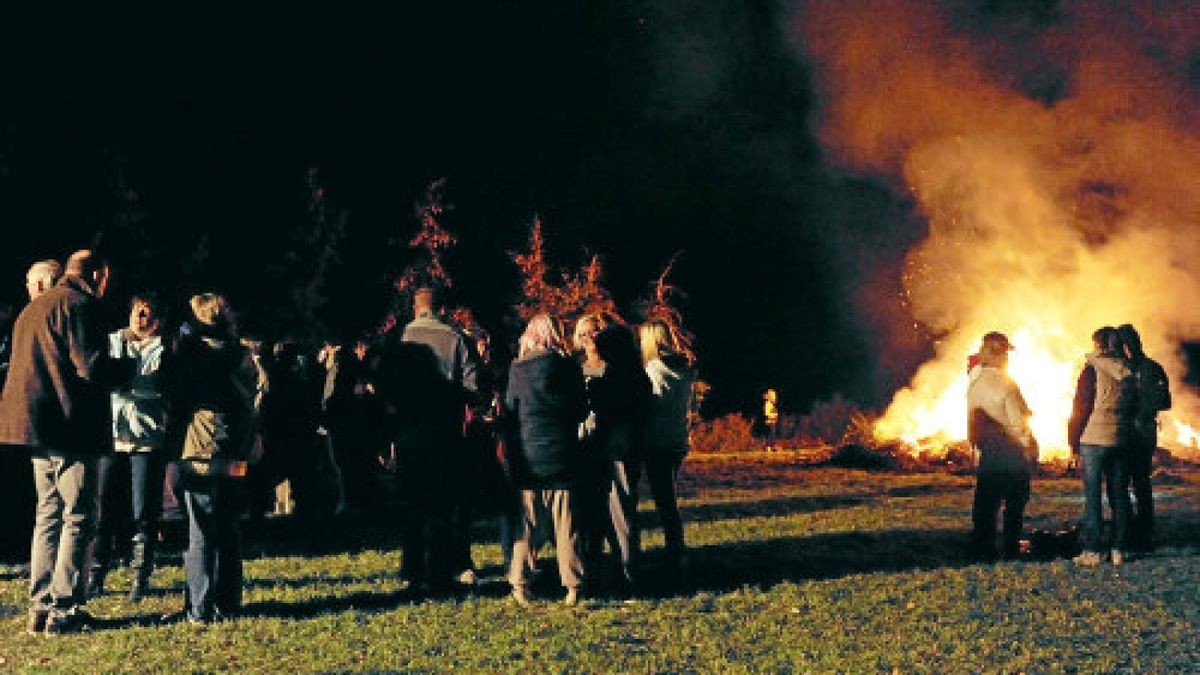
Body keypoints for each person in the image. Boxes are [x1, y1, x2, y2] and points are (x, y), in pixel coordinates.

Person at [0, 250, 119, 635]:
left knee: (47, 514)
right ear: (99, 275)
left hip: (36, 426)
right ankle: (64, 608)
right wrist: (133, 369)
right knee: (80, 513)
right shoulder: (78, 305)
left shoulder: (32, 309)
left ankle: (39, 605)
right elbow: (93, 366)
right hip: (71, 426)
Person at [164, 294, 261, 625]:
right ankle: (229, 602)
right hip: (237, 444)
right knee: (229, 526)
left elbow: (176, 399)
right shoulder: (241, 355)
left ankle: (200, 606)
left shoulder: (190, 357)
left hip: (200, 446)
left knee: (200, 528)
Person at [398, 287, 480, 587]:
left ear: (415, 308)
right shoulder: (455, 339)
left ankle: (412, 569)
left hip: (408, 432)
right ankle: (447, 565)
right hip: (445, 433)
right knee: (445, 503)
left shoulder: (399, 339)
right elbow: (472, 387)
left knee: (413, 503)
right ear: (441, 309)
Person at [504, 314, 588, 605]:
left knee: (525, 524)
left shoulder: (517, 370)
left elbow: (509, 411)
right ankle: (573, 585)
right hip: (562, 455)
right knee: (567, 526)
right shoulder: (568, 368)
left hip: (527, 458)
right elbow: (580, 409)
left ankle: (518, 581)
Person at [89, 293, 169, 603]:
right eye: (138, 312)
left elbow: (161, 386)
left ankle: (140, 574)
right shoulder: (112, 341)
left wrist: (136, 385)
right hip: (113, 435)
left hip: (147, 438)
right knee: (104, 506)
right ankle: (96, 573)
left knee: (143, 509)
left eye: (149, 314)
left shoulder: (165, 348)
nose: (142, 318)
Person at [589, 324, 652, 590]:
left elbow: (611, 411)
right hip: (629, 448)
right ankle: (624, 563)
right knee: (622, 508)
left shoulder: (617, 377)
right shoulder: (637, 375)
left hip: (618, 450)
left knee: (621, 510)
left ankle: (628, 568)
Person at [966, 332, 1037, 562]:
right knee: (1015, 501)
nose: (1007, 357)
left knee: (986, 502)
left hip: (987, 450)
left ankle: (982, 547)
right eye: (1005, 352)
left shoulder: (974, 379)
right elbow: (1018, 423)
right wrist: (1029, 448)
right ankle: (1010, 546)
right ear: (1002, 355)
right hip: (1010, 449)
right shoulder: (1006, 383)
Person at [1068, 326, 1135, 567]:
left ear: (1098, 345)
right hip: (1120, 438)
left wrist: (1073, 441)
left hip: (1094, 439)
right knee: (1119, 495)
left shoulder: (1092, 369)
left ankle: (1093, 550)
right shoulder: (1128, 368)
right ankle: (1118, 549)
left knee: (1093, 497)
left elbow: (1081, 407)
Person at [637, 321, 696, 575]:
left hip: (656, 441)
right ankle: (676, 548)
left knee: (665, 499)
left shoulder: (653, 370)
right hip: (678, 439)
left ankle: (676, 551)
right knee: (667, 498)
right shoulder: (685, 368)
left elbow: (648, 406)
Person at [1116, 324, 1170, 552]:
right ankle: (1142, 533)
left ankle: (1133, 534)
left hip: (1132, 433)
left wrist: (1140, 410)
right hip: (1143, 432)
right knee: (1140, 484)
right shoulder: (1153, 367)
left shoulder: (1127, 368)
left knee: (1122, 484)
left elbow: (1164, 401)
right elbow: (1165, 401)